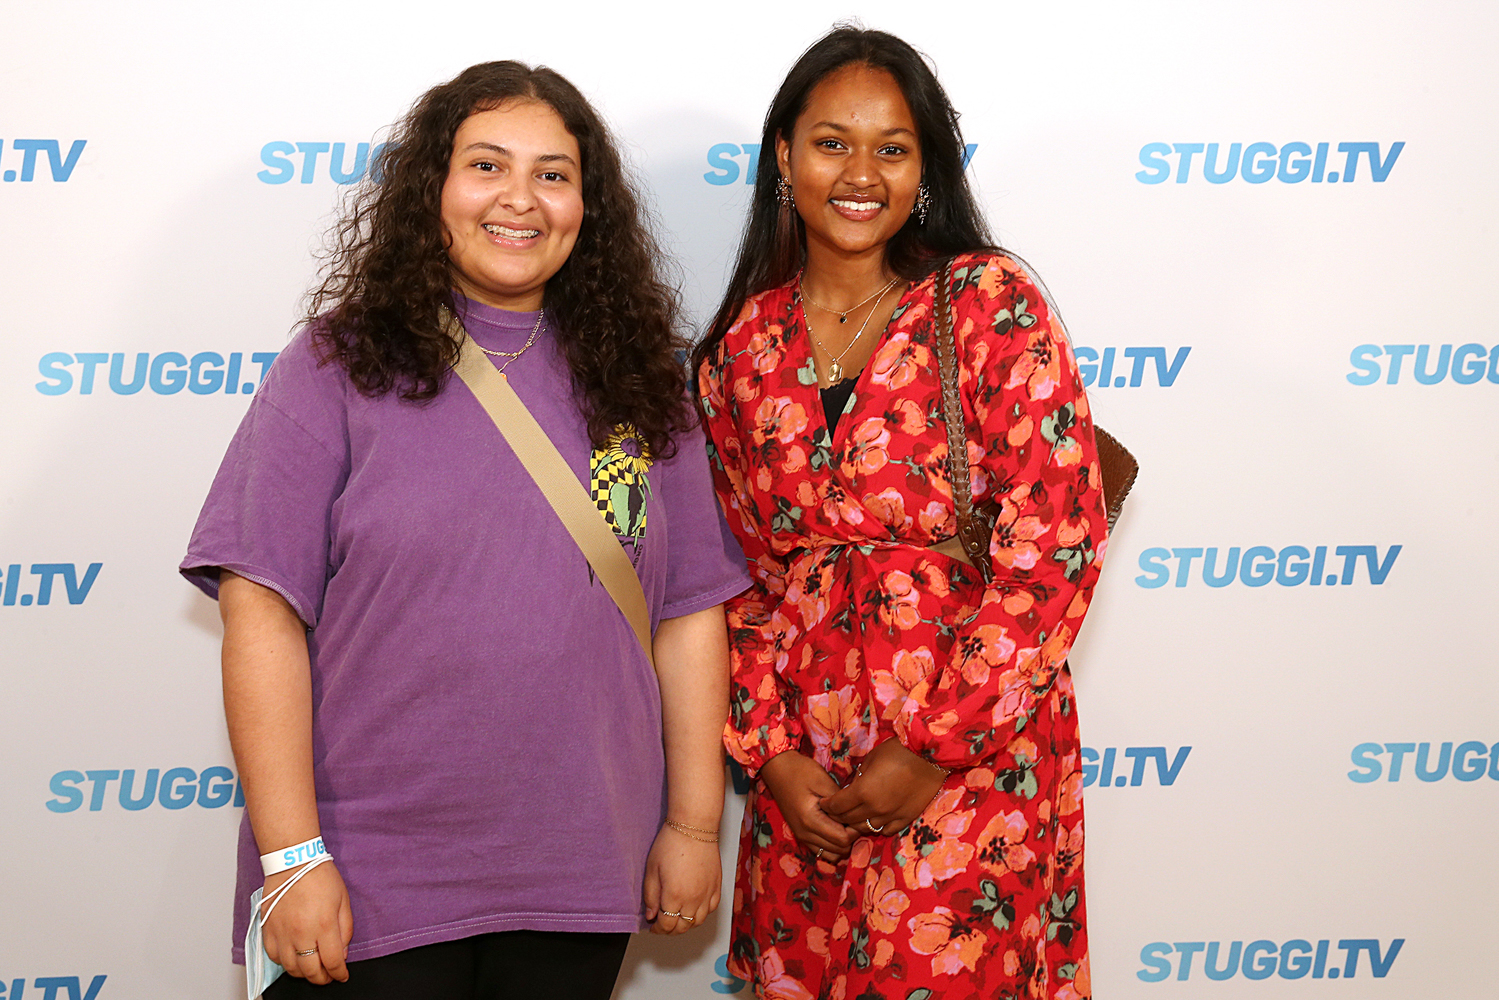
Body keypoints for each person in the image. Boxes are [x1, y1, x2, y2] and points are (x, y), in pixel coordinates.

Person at [182, 61, 749, 999]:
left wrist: (691, 828)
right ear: (432, 189)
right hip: (367, 871)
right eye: (486, 165)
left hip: (579, 865)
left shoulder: (641, 380)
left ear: (586, 206)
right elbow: (260, 611)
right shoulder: (336, 364)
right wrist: (291, 857)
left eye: (552, 174)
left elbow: (688, 616)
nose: (519, 198)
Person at [692, 27, 1106, 1000]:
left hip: (969, 759)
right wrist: (772, 756)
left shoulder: (989, 303)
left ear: (924, 170)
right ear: (783, 155)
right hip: (807, 779)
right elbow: (728, 576)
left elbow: (1053, 548)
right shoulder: (740, 347)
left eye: (891, 148)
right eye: (831, 142)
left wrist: (933, 749)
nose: (859, 174)